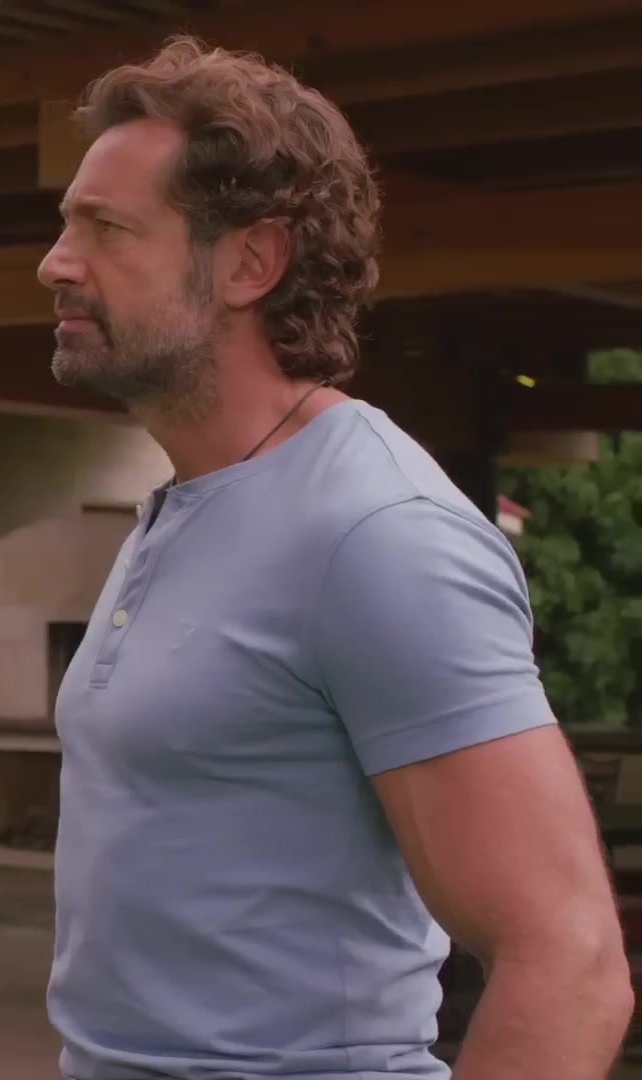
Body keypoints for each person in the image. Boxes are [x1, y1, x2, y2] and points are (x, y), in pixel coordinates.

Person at [37, 36, 632, 1080]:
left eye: (107, 228)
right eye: (65, 224)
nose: (56, 262)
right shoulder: (185, 502)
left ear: (250, 263)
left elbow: (571, 963)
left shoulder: (376, 532)